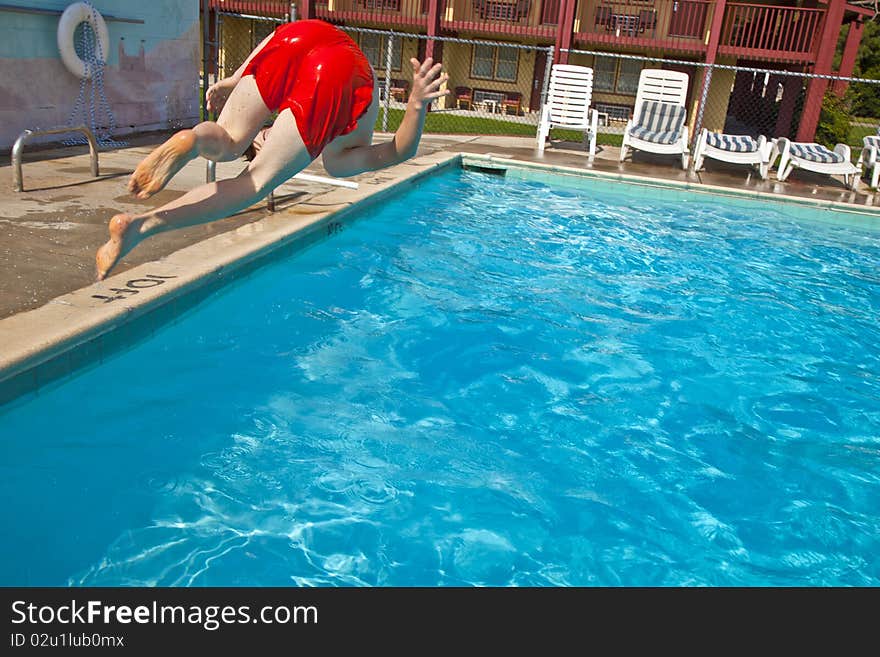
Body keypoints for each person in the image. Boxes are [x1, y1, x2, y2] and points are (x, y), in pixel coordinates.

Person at [96, 19, 449, 280]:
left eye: (262, 139)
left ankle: (196, 139)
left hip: (302, 35)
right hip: (333, 60)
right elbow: (399, 152)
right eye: (265, 140)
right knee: (253, 183)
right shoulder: (340, 159)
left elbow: (279, 35)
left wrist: (237, 77)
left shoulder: (330, 151)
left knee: (228, 138)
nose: (266, 138)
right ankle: (142, 227)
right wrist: (416, 105)